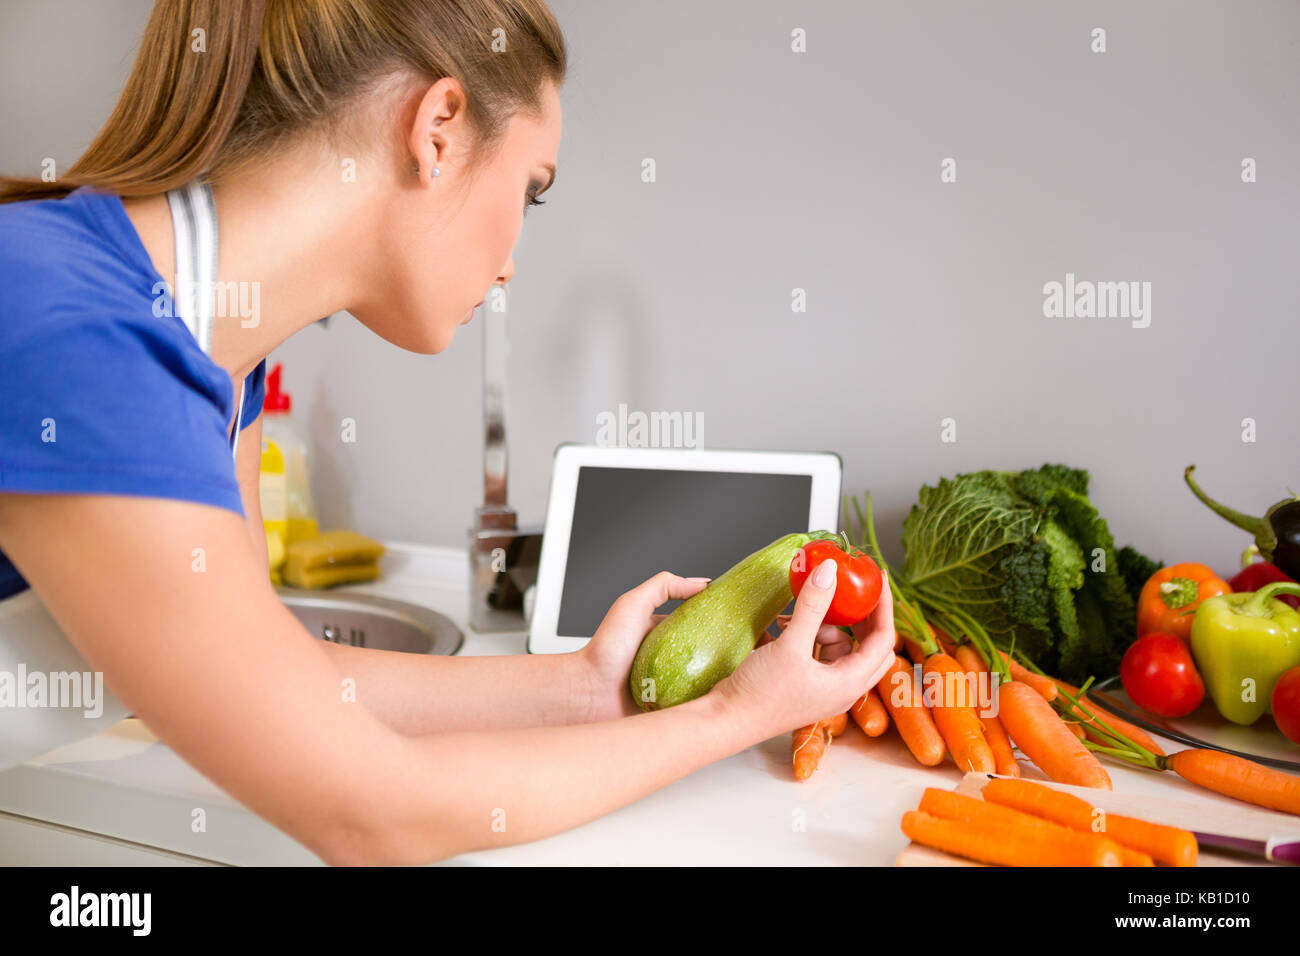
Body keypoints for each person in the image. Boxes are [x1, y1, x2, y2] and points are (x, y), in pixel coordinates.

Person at [0, 0, 897, 865]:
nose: (510, 264)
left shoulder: (223, 362)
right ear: (437, 129)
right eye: (531, 193)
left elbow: (271, 680)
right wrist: (732, 716)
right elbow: (369, 814)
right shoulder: (80, 330)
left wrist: (584, 687)